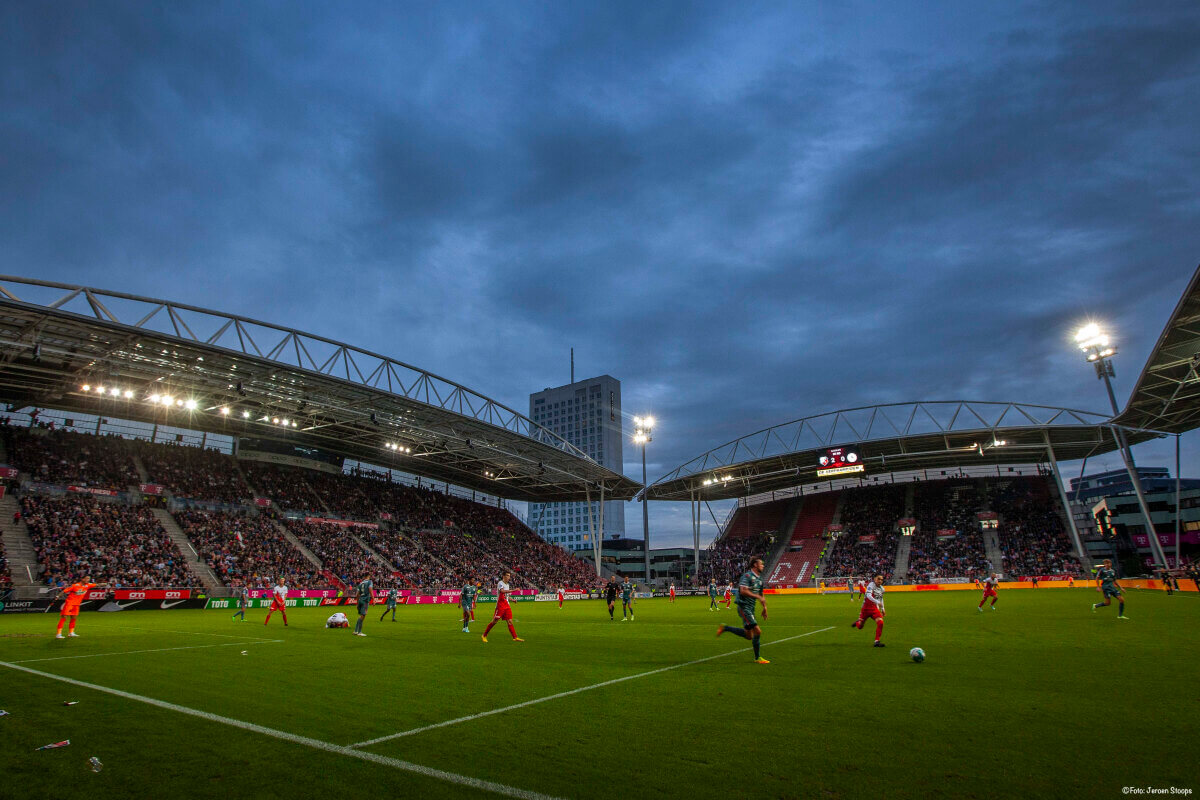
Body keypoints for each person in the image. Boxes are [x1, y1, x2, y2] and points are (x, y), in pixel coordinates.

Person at [716, 557, 770, 664]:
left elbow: (761, 595)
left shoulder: (759, 580)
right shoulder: (747, 576)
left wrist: (764, 608)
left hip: (751, 608)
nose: (763, 565)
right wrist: (758, 597)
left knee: (749, 636)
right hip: (743, 607)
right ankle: (757, 658)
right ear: (755, 565)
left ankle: (725, 628)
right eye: (761, 564)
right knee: (758, 631)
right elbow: (743, 591)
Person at [482, 572, 522, 642]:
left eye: (509, 576)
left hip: (507, 605)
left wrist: (512, 600)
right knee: (494, 621)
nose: (508, 577)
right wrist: (514, 590)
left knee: (510, 621)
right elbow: (502, 591)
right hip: (500, 605)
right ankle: (484, 635)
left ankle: (515, 637)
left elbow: (506, 595)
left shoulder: (508, 584)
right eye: (507, 575)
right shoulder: (500, 583)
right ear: (503, 576)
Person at [852, 573, 886, 647]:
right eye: (878, 579)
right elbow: (868, 595)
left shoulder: (882, 589)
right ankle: (858, 622)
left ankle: (877, 641)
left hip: (874, 609)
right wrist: (877, 602)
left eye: (881, 579)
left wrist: (883, 608)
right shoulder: (871, 585)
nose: (880, 581)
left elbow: (881, 598)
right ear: (874, 579)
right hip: (866, 609)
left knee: (880, 622)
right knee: (860, 627)